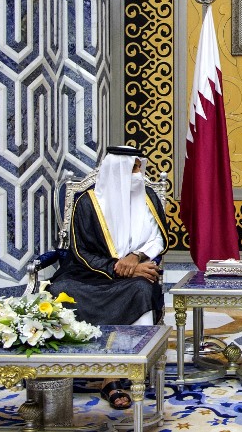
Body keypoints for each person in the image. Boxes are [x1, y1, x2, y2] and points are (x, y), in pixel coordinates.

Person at [47, 145, 168, 409]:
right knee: (61, 290)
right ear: (117, 170)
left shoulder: (147, 196)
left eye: (140, 166)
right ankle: (62, 367)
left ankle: (117, 374)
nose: (139, 173)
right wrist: (116, 267)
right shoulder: (87, 202)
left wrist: (136, 257)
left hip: (132, 275)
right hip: (89, 273)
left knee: (141, 290)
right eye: (134, 168)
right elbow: (81, 251)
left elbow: (158, 238)